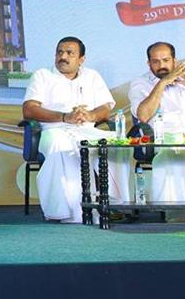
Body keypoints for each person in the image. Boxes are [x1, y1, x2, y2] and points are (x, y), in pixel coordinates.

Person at [22, 36, 127, 223]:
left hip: (86, 129)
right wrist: (65, 117)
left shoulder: (92, 76)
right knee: (62, 144)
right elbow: (29, 109)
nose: (63, 57)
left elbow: (105, 109)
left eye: (70, 53)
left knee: (117, 144)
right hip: (54, 130)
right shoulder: (42, 75)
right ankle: (72, 212)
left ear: (81, 59)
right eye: (60, 52)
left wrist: (90, 116)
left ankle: (116, 205)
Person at [128, 42, 185, 203]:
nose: (161, 66)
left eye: (165, 60)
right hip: (166, 139)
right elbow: (143, 115)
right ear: (148, 64)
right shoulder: (140, 84)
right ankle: (174, 209)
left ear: (174, 61)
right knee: (174, 157)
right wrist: (162, 83)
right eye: (155, 61)